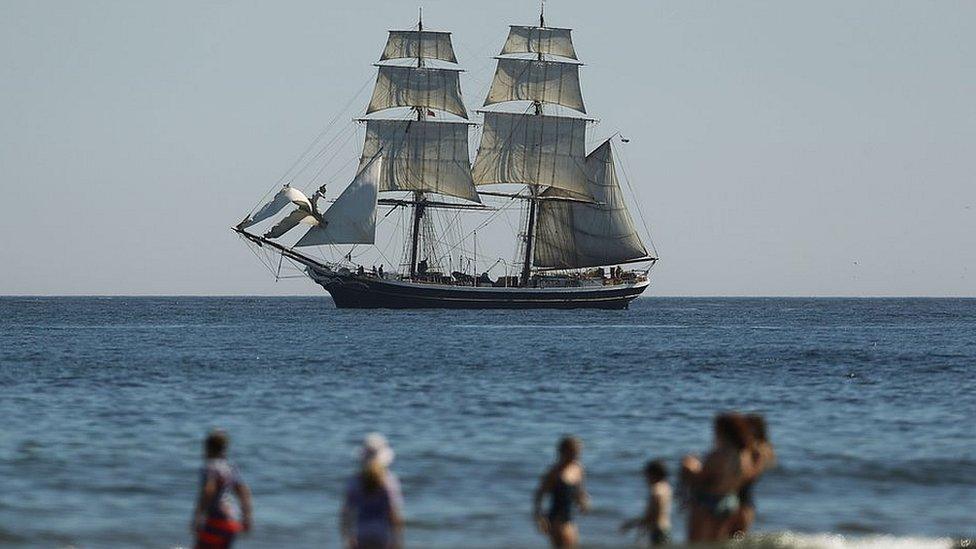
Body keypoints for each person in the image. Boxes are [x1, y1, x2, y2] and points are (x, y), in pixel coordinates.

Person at [681, 413, 762, 543]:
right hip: (729, 500)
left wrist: (689, 465)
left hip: (707, 502)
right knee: (718, 542)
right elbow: (747, 477)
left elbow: (700, 478)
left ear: (723, 431)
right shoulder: (744, 455)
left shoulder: (719, 454)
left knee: (695, 542)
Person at [191, 430, 252, 549]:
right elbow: (244, 492)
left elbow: (209, 490)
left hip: (216, 518)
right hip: (232, 521)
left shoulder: (210, 467)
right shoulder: (230, 468)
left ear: (208, 449)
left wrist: (198, 515)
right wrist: (247, 516)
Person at [341, 433, 404, 549]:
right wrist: (397, 540)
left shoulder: (355, 481)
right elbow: (394, 514)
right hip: (382, 535)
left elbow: (346, 513)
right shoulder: (389, 481)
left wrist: (347, 538)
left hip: (362, 533)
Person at [533, 436, 590, 548]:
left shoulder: (578, 469)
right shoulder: (554, 472)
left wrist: (583, 501)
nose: (576, 456)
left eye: (578, 453)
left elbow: (579, 491)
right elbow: (539, 495)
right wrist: (539, 518)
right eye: (573, 453)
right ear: (562, 452)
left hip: (570, 518)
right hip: (556, 520)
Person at [729, 414, 776, 537]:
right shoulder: (761, 449)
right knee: (736, 539)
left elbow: (751, 474)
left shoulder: (758, 450)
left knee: (735, 539)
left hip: (743, 504)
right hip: (744, 502)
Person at [621, 459, 672, 546]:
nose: (645, 479)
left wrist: (631, 524)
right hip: (666, 529)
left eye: (647, 475)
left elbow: (650, 516)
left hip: (657, 531)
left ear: (653, 475)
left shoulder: (656, 491)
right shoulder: (666, 487)